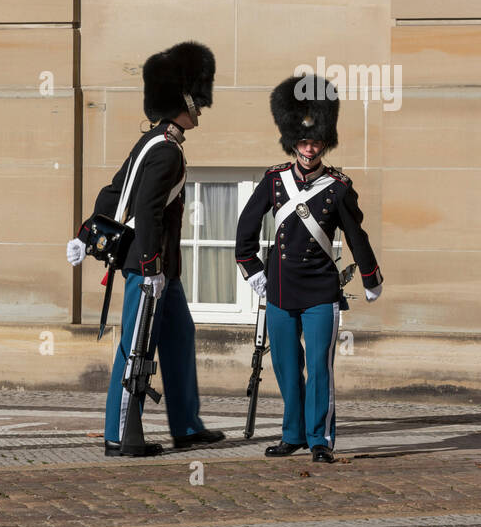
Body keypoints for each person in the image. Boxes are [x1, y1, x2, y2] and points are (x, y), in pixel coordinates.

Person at [66, 41, 224, 458]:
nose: (200, 109)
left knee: (180, 335)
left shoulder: (151, 143)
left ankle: (187, 425)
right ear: (181, 103)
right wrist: (151, 265)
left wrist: (86, 232)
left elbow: (113, 189)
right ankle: (119, 434)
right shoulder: (166, 152)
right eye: (196, 101)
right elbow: (147, 211)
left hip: (161, 267)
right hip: (149, 265)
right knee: (135, 347)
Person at [234, 74, 383, 463]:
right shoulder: (274, 181)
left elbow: (356, 235)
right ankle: (293, 434)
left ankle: (320, 439)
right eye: (302, 141)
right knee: (286, 366)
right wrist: (253, 272)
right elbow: (245, 228)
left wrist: (370, 276)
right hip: (281, 289)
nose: (309, 147)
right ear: (292, 142)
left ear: (324, 143)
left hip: (319, 290)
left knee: (319, 368)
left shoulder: (338, 187)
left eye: (315, 141)